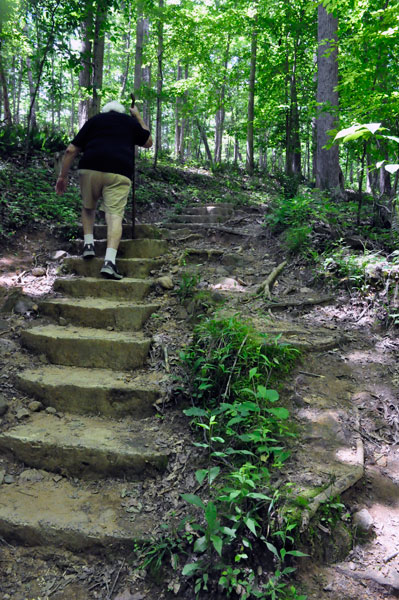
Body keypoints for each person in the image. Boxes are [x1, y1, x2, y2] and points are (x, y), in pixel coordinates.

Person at [55, 101, 152, 280]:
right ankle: (109, 262)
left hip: (90, 169)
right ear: (122, 112)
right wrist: (137, 116)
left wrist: (62, 176)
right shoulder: (129, 122)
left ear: (105, 111)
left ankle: (89, 244)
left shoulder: (95, 120)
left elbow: (70, 150)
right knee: (114, 216)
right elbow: (148, 142)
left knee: (88, 207)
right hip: (119, 173)